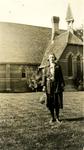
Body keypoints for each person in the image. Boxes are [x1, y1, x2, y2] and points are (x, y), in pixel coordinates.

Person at [42, 53, 65, 124]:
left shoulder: (58, 67)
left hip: (57, 86)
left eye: (53, 57)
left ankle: (57, 117)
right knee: (50, 102)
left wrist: (62, 84)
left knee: (57, 102)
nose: (51, 59)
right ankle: (52, 118)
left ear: (54, 58)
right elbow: (44, 77)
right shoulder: (46, 68)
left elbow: (61, 76)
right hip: (49, 86)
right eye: (50, 57)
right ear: (48, 59)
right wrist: (44, 86)